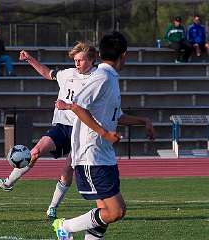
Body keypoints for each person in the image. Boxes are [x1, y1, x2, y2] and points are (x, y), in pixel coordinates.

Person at [52, 32, 155, 240]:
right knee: (115, 211)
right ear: (124, 55)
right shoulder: (102, 77)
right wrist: (104, 133)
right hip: (91, 154)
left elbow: (116, 116)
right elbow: (78, 106)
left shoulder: (110, 78)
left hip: (104, 155)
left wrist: (143, 121)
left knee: (113, 212)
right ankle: (65, 226)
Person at [0, 42, 97, 220]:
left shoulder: (98, 79)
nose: (76, 64)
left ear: (91, 60)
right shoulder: (67, 74)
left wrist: (68, 106)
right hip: (61, 127)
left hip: (82, 131)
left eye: (80, 61)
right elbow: (47, 73)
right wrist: (29, 59)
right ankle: (8, 183)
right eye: (75, 60)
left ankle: (52, 208)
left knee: (67, 170)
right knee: (34, 152)